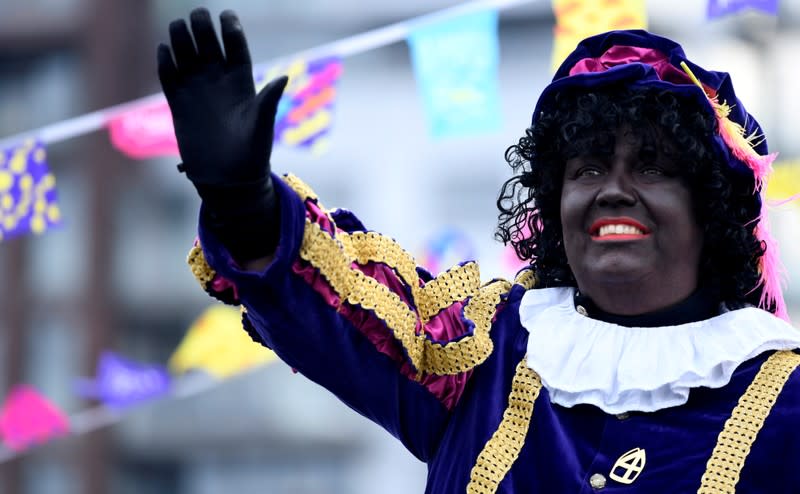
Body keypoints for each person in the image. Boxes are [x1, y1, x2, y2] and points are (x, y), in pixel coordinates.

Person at [158, 8, 800, 493]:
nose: (612, 192)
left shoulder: (786, 400)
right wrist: (243, 202)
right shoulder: (483, 352)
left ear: (709, 208)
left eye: (653, 167)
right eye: (587, 170)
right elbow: (345, 305)